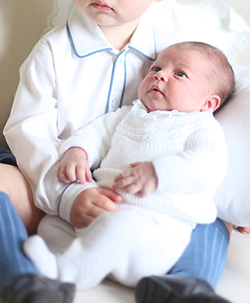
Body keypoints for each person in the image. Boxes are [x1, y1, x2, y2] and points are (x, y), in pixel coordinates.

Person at [0, 0, 239, 303]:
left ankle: (186, 287)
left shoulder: (176, 52)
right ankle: (25, 282)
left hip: (145, 194)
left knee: (215, 218)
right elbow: (27, 131)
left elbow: (213, 115)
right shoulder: (54, 52)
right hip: (53, 182)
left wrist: (239, 196)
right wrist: (70, 196)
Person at [23, 41, 235, 299]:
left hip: (152, 228)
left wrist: (158, 173)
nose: (160, 75)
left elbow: (207, 165)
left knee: (119, 227)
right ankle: (69, 257)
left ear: (208, 103)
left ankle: (62, 276)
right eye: (156, 67)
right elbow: (95, 134)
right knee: (52, 223)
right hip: (101, 212)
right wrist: (77, 152)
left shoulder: (201, 127)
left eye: (180, 74)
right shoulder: (128, 114)